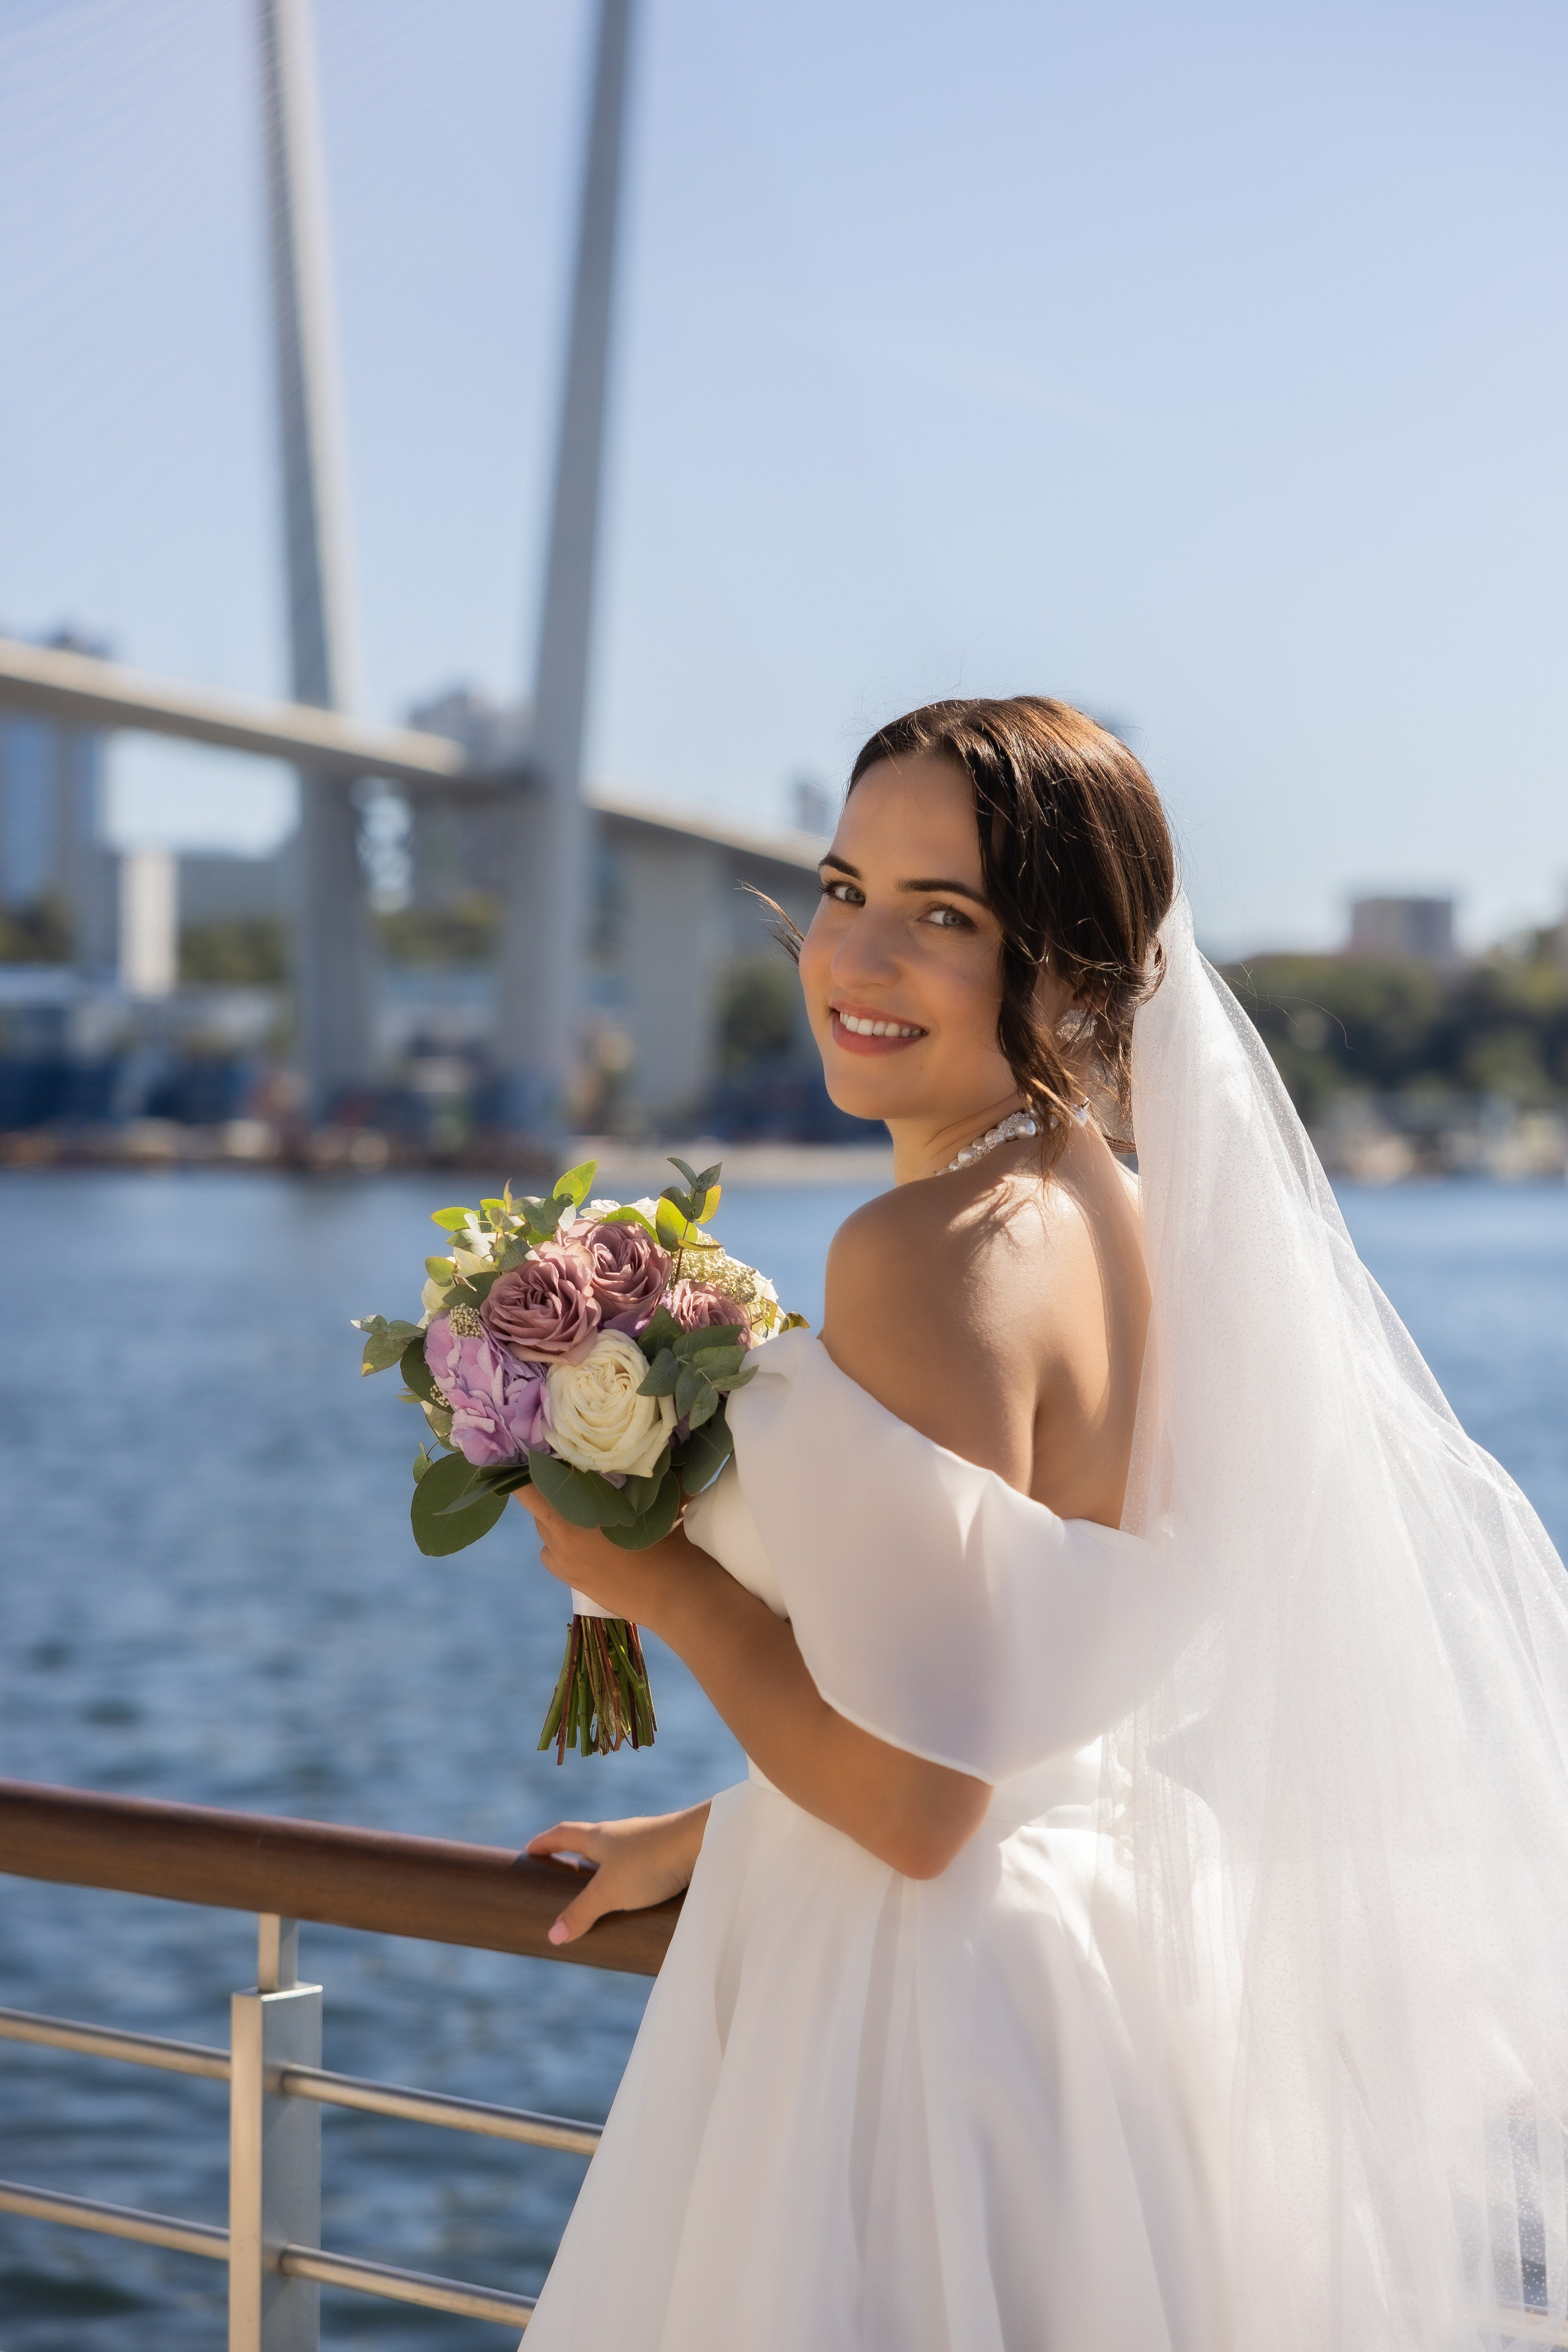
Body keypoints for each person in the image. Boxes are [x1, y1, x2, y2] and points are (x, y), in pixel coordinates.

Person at [516, 698, 1568, 2351]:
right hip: (1094, 1990)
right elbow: (1003, 1689)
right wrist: (719, 1836)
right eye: (846, 886)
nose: (853, 957)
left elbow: (927, 1807)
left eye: (945, 918)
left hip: (918, 2023)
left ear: (1072, 970)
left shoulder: (924, 1253)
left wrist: (654, 1587)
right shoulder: (1127, 1215)